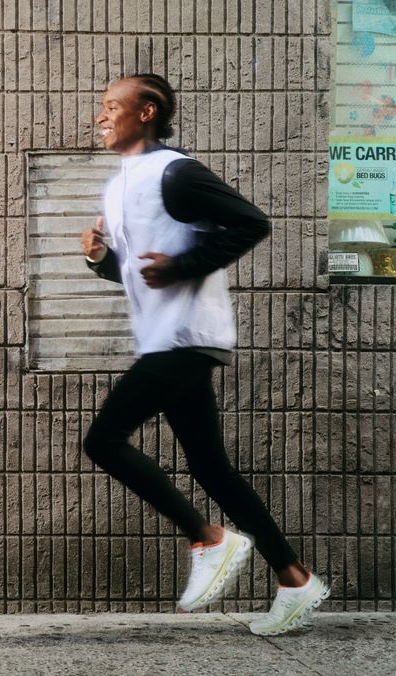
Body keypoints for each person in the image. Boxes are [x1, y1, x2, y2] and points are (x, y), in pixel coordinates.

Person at [79, 74, 328, 636]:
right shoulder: (121, 186)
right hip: (167, 337)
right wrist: (101, 259)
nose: (101, 116)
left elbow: (251, 223)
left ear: (147, 111)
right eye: (100, 107)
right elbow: (143, 273)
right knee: (210, 466)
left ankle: (208, 538)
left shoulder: (175, 171)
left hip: (187, 336)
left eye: (111, 107)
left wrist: (184, 266)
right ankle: (294, 577)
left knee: (104, 440)